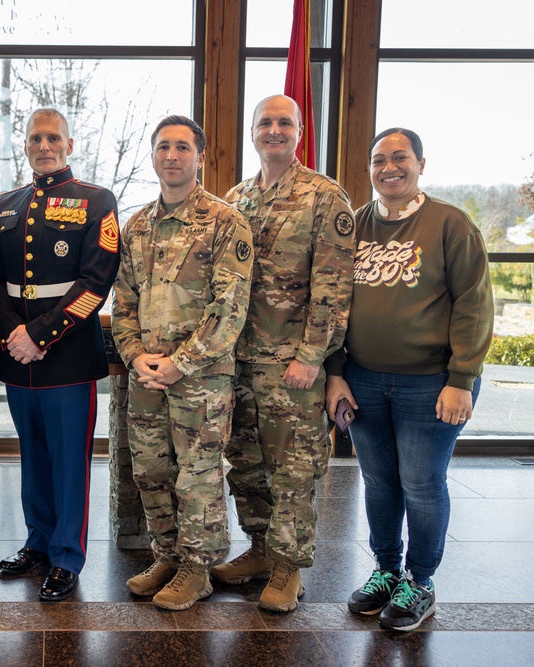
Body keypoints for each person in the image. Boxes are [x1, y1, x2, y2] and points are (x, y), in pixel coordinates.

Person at [324, 127, 493, 632]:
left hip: (432, 383)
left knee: (421, 484)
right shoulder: (353, 225)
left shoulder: (449, 223)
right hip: (364, 379)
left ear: (421, 164)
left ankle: (420, 580)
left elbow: (475, 306)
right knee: (378, 482)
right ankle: (385, 570)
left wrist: (461, 378)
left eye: (400, 158)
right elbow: (332, 305)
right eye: (379, 159)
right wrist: (335, 374)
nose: (389, 167)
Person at [211, 94, 355, 612]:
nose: (274, 130)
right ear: (253, 133)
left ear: (299, 132)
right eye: (265, 123)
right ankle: (260, 549)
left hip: (291, 364)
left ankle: (289, 567)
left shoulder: (324, 197)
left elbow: (334, 287)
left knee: (293, 469)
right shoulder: (236, 198)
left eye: (284, 123)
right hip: (237, 360)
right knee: (245, 462)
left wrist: (313, 357)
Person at [112, 115, 253, 611]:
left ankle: (198, 568)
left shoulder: (224, 221)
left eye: (182, 148)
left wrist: (181, 363)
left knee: (197, 473)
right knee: (151, 470)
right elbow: (123, 301)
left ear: (200, 156)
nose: (171, 156)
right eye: (163, 147)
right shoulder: (137, 225)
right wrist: (134, 355)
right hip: (147, 374)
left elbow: (230, 307)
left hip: (201, 379)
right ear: (153, 156)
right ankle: (167, 555)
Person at [0, 108, 120, 602]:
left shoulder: (96, 200)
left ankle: (66, 556)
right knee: (32, 455)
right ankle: (38, 542)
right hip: (18, 354)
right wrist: (10, 336)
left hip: (66, 354)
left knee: (68, 460)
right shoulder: (4, 204)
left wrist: (40, 334)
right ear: (25, 145)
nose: (44, 145)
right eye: (36, 137)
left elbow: (95, 282)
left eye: (53, 137)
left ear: (69, 143)